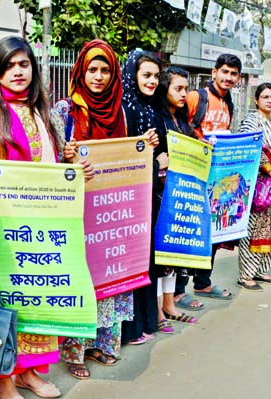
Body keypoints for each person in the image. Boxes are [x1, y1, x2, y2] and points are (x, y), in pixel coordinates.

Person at [0, 36, 85, 399]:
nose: (17, 72)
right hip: (3, 228)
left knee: (40, 300)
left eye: (24, 64)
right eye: (8, 66)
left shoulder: (45, 114)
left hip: (45, 228)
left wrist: (77, 168)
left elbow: (58, 168)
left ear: (33, 69)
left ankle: (29, 374)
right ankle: (4, 380)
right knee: (8, 305)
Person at [51, 39, 133, 381]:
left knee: (109, 271)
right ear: (80, 72)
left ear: (114, 75)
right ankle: (74, 351)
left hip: (112, 207)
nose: (98, 77)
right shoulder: (65, 110)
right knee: (81, 276)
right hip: (77, 208)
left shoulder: (120, 111)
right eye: (91, 70)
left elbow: (129, 158)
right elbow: (48, 163)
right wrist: (66, 159)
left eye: (104, 70)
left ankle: (103, 343)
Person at [175, 53, 242, 303]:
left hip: (217, 178)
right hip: (193, 173)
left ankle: (203, 282)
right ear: (214, 72)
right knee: (190, 230)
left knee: (213, 230)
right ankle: (179, 290)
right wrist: (202, 141)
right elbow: (180, 127)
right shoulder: (196, 98)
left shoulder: (229, 103)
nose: (228, 77)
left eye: (233, 74)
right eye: (224, 71)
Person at [120, 50, 163, 345]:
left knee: (146, 256)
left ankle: (148, 320)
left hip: (149, 192)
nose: (152, 81)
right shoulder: (126, 108)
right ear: (132, 75)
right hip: (129, 195)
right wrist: (152, 155)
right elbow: (124, 154)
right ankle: (131, 327)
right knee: (131, 257)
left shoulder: (152, 108)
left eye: (156, 77)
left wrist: (160, 156)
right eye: (146, 75)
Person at [152, 67, 201, 323]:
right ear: (165, 89)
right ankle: (159, 309)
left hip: (182, 193)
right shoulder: (156, 118)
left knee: (174, 253)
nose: (184, 94)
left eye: (186, 89)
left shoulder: (182, 120)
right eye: (178, 89)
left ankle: (170, 304)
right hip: (162, 194)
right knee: (162, 254)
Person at [236, 83, 271, 290]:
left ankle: (261, 270)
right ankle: (246, 274)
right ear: (256, 100)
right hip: (259, 183)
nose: (270, 100)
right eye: (265, 97)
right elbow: (251, 148)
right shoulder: (251, 122)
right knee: (253, 228)